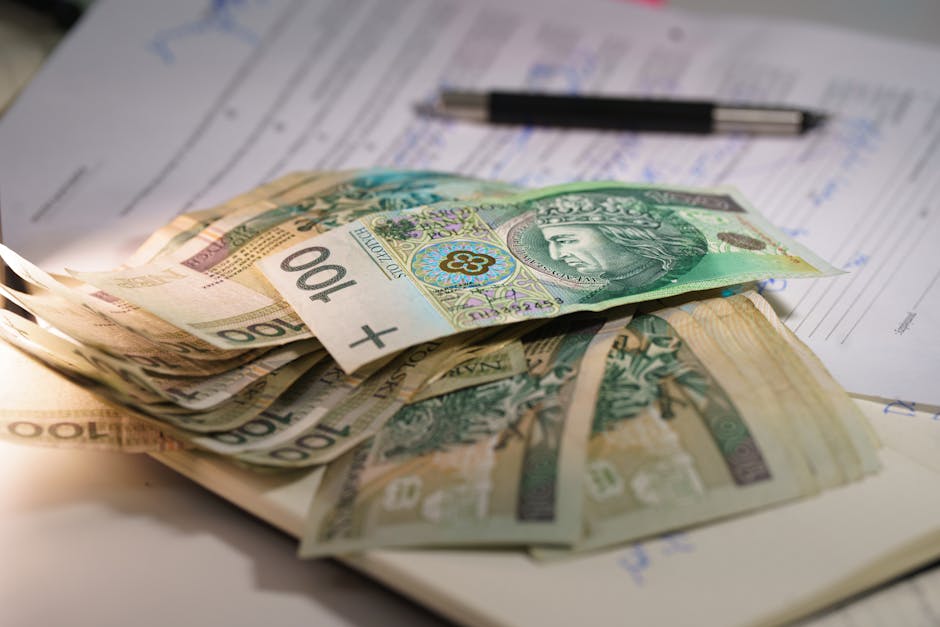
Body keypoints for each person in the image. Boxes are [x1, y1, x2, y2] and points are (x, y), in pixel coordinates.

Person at [532, 193, 708, 299]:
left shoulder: (687, 269)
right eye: (551, 243)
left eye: (565, 240)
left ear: (620, 234)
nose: (556, 256)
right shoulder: (606, 292)